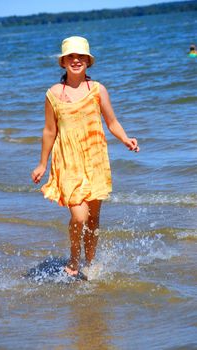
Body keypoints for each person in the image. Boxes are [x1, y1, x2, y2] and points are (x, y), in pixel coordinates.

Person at [31, 36, 139, 279]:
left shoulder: (97, 90)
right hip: (67, 159)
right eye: (71, 56)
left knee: (94, 218)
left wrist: (126, 139)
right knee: (79, 215)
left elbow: (111, 122)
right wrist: (42, 163)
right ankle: (73, 256)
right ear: (63, 62)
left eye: (81, 56)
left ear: (88, 61)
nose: (76, 60)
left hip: (95, 158)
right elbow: (50, 131)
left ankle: (89, 264)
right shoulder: (53, 94)